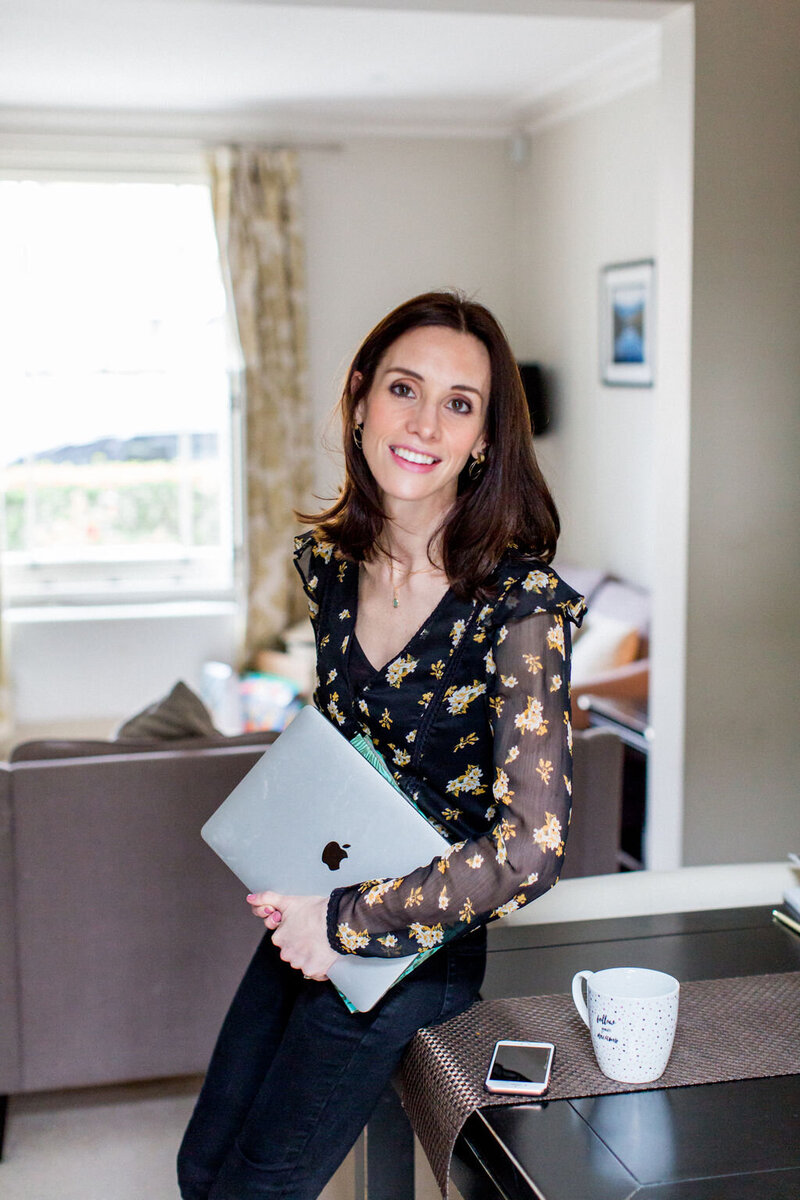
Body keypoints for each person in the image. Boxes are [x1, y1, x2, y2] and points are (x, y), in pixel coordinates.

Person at [177, 291, 586, 1200]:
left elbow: (533, 848)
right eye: (404, 387)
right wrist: (294, 872)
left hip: (413, 951)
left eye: (459, 402)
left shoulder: (520, 608)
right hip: (313, 912)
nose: (423, 422)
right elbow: (341, 745)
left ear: (484, 438)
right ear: (360, 398)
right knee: (200, 1165)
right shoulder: (331, 563)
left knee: (254, 1188)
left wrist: (345, 923)